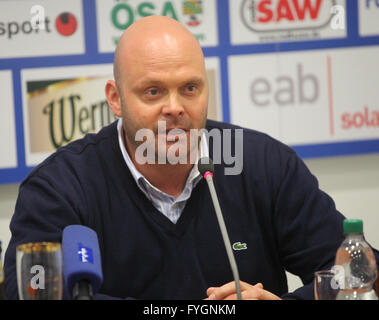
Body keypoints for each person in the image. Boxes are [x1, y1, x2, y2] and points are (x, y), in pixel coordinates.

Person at [4, 16, 378, 300]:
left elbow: (360, 271)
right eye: (152, 91)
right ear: (115, 99)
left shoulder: (264, 164)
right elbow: (33, 292)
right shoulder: (59, 187)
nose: (174, 107)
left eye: (189, 88)